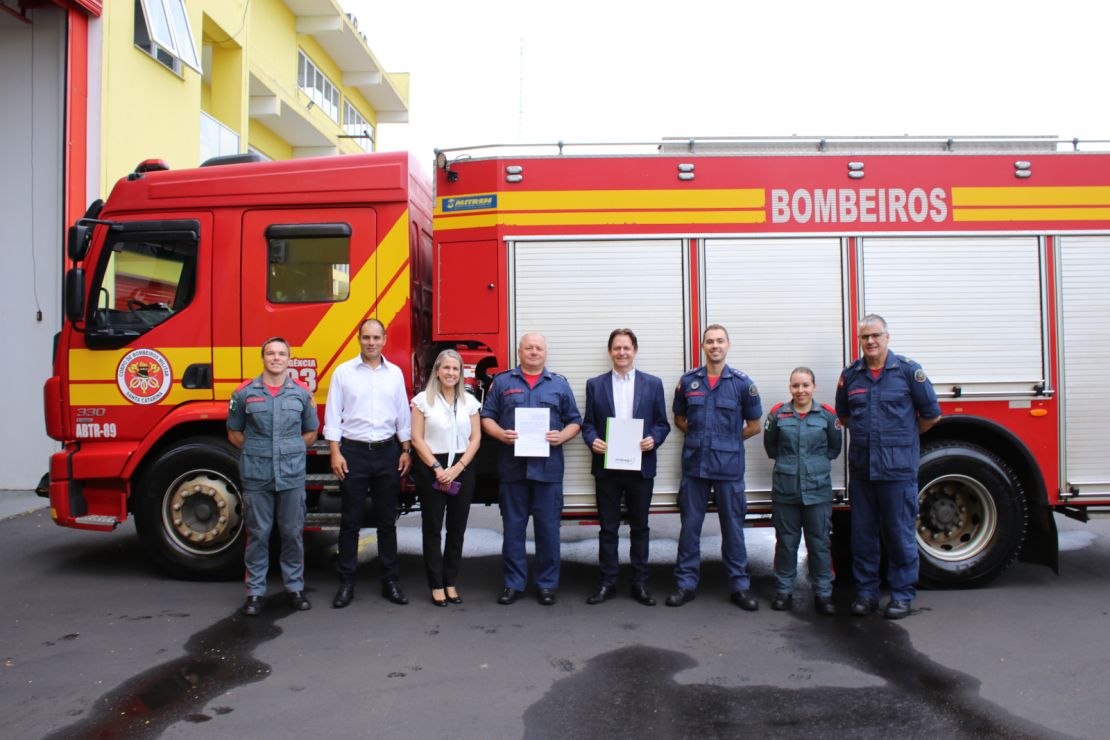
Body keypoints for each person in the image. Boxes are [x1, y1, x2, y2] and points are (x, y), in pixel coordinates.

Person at [835, 314, 941, 620]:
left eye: (875, 336)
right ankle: (866, 594)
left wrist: (905, 438)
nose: (870, 341)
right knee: (863, 536)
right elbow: (844, 415)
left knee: (899, 534)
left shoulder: (908, 371)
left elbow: (931, 414)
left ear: (887, 337)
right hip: (864, 470)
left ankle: (901, 595)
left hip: (897, 471)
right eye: (864, 337)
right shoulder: (851, 376)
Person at [480, 333, 582, 606]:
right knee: (513, 530)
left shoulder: (558, 385)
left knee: (548, 530)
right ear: (519, 351)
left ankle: (547, 585)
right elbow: (486, 417)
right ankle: (513, 584)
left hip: (548, 471)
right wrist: (501, 434)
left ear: (545, 352)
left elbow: (575, 420)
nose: (534, 352)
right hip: (513, 470)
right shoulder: (502, 382)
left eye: (538, 348)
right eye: (528, 348)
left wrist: (562, 436)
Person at [668, 324, 763, 610]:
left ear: (728, 345)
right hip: (696, 466)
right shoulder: (687, 382)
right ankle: (685, 585)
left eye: (720, 341)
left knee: (733, 529)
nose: (715, 346)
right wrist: (703, 439)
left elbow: (755, 425)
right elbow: (680, 420)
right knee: (690, 528)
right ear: (703, 346)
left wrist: (729, 441)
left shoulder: (742, 383)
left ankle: (739, 587)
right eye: (710, 341)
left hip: (729, 467)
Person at [324, 317, 413, 609]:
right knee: (351, 521)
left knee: (387, 521)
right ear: (359, 339)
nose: (371, 343)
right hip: (354, 454)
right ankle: (347, 582)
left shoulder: (395, 374)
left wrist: (405, 449)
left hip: (387, 452)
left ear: (385, 340)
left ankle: (390, 581)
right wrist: (335, 452)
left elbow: (402, 414)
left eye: (376, 338)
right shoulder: (343, 373)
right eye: (366, 338)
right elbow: (333, 415)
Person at [227, 337, 319, 616]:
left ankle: (294, 588)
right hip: (257, 475)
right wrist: (260, 452)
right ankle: (255, 593)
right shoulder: (244, 393)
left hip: (291, 475)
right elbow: (234, 433)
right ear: (263, 357)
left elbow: (311, 433)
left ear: (289, 359)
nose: (276, 358)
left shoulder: (301, 394)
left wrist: (288, 451)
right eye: (271, 353)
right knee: (258, 534)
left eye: (281, 354)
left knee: (292, 533)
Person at [581, 328, 671, 606]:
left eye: (627, 348)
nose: (622, 353)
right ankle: (607, 582)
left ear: (635, 351)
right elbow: (588, 425)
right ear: (610, 351)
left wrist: (653, 440)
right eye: (617, 348)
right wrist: (593, 440)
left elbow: (662, 423)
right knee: (608, 529)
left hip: (640, 467)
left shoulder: (653, 384)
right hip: (607, 469)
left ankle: (640, 583)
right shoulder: (595, 385)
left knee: (640, 528)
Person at [763, 367, 842, 615]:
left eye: (805, 385)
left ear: (814, 387)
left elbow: (834, 449)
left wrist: (812, 467)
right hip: (786, 491)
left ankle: (823, 594)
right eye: (796, 386)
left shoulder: (827, 416)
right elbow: (771, 447)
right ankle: (784, 590)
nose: (801, 391)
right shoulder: (778, 415)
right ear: (790, 388)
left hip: (817, 491)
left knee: (819, 544)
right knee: (786, 543)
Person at [410, 349, 481, 607]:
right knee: (432, 528)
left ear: (461, 373)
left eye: (456, 369)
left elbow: (476, 438)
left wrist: (458, 467)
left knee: (457, 529)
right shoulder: (422, 400)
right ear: (437, 371)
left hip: (462, 467)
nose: (451, 373)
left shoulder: (469, 402)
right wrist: (438, 469)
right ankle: (436, 584)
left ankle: (451, 581)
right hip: (432, 466)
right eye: (446, 368)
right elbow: (417, 438)